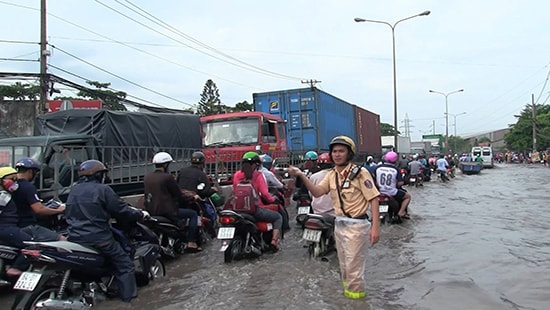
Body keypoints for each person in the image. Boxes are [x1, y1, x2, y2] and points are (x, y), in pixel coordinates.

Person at [288, 136, 380, 299]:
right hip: (339, 224)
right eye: (334, 151)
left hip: (357, 226)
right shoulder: (331, 175)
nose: (337, 155)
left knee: (354, 269)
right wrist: (301, 175)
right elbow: (317, 192)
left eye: (341, 151)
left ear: (349, 153)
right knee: (344, 268)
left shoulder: (360, 173)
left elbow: (373, 198)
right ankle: (347, 299)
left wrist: (375, 228)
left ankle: (357, 301)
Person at [65, 160, 148, 303]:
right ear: (99, 175)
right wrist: (140, 214)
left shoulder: (74, 190)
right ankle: (130, 301)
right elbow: (121, 209)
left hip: (75, 237)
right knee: (125, 265)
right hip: (99, 238)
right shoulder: (103, 190)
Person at [144, 152, 201, 252]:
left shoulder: (147, 177)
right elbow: (178, 195)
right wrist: (192, 198)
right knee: (193, 214)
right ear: (166, 165)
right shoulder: (167, 177)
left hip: (152, 210)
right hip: (167, 211)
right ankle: (191, 242)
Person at [232, 152, 283, 250]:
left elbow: (234, 191)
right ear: (256, 164)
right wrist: (273, 199)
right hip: (254, 209)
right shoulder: (258, 175)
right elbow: (265, 194)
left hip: (236, 209)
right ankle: (274, 241)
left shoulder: (236, 175)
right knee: (278, 217)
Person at [13, 158, 65, 241]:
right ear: (30, 171)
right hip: (28, 227)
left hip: (15, 226)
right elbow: (39, 210)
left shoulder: (12, 186)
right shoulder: (28, 187)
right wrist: (59, 210)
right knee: (62, 240)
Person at [0, 167, 34, 277]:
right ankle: (16, 268)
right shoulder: (2, 196)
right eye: (11, 179)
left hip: (9, 228)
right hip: (6, 228)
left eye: (15, 179)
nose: (14, 182)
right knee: (33, 245)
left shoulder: (6, 194)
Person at [374, 151, 411, 219]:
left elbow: (373, 179)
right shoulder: (396, 169)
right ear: (395, 160)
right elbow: (400, 183)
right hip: (392, 193)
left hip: (379, 193)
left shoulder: (377, 168)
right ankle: (401, 212)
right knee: (408, 196)